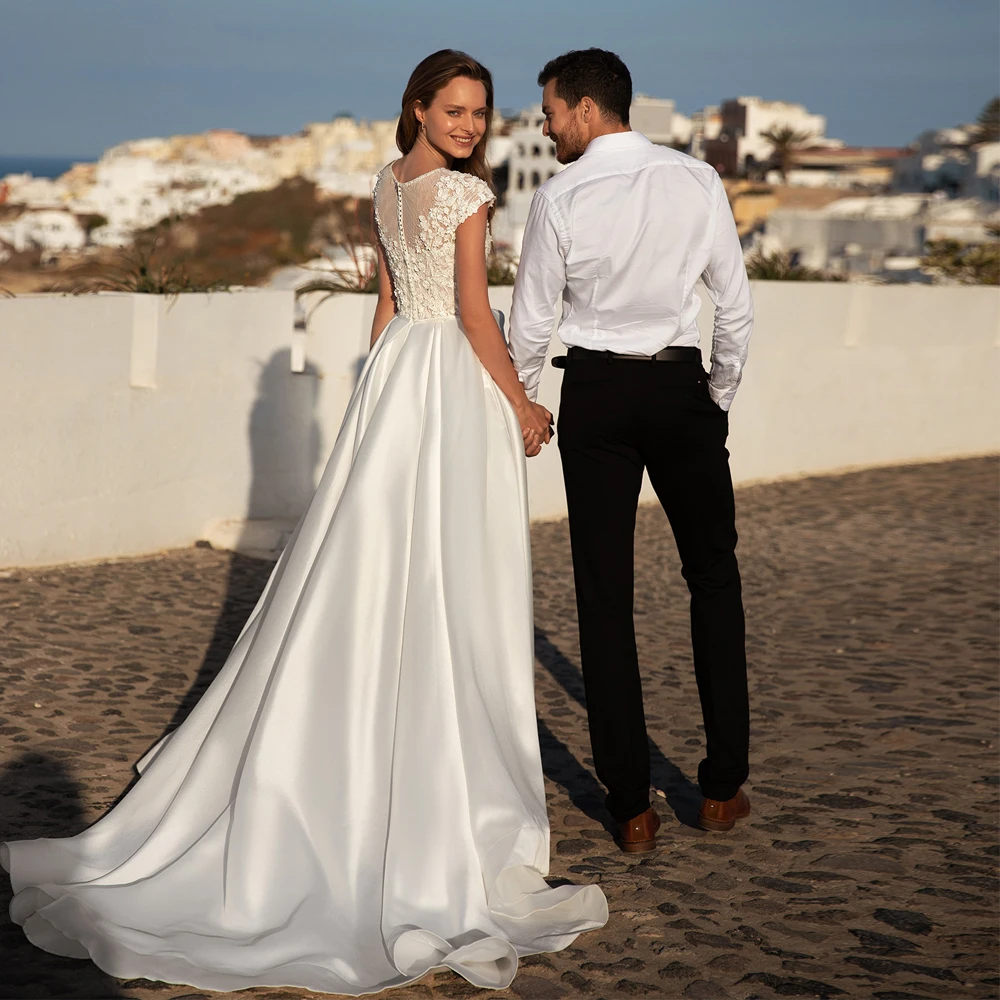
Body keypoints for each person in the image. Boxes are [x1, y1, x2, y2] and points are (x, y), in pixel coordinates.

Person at [1, 50, 606, 995]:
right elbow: (477, 320)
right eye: (454, 110)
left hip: (398, 378)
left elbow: (389, 308)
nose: (469, 127)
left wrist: (371, 398)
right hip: (444, 384)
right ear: (416, 108)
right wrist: (524, 405)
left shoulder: (389, 183)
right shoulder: (460, 196)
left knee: (374, 566)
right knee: (445, 575)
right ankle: (429, 766)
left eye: (480, 113)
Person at [508, 48, 754, 853]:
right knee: (713, 576)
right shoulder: (696, 180)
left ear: (585, 108)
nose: (545, 128)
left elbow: (533, 323)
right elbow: (734, 304)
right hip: (680, 389)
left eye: (549, 112)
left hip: (599, 401)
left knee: (603, 593)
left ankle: (630, 808)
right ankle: (720, 790)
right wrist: (714, 398)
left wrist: (526, 407)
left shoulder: (560, 196)